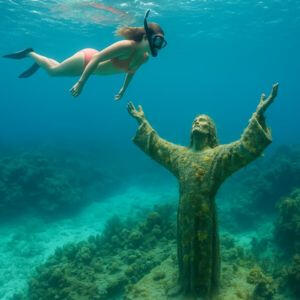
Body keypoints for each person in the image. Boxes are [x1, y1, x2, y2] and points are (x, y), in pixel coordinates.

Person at [127, 83, 279, 299]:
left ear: (210, 130)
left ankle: (206, 288)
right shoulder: (179, 155)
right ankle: (185, 284)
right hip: (184, 214)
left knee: (204, 248)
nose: (197, 122)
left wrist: (259, 113)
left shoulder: (219, 156)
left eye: (203, 121)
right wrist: (143, 121)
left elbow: (244, 147)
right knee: (185, 247)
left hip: (206, 213)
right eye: (195, 121)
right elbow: (157, 145)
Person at [3, 10, 167, 101]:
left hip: (92, 70)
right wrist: (81, 83)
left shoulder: (144, 57)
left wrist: (123, 89)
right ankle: (30, 53)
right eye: (157, 42)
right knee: (53, 72)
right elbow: (97, 58)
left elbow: (132, 71)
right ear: (146, 37)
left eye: (162, 44)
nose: (158, 47)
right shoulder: (127, 46)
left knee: (55, 68)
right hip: (87, 60)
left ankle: (39, 61)